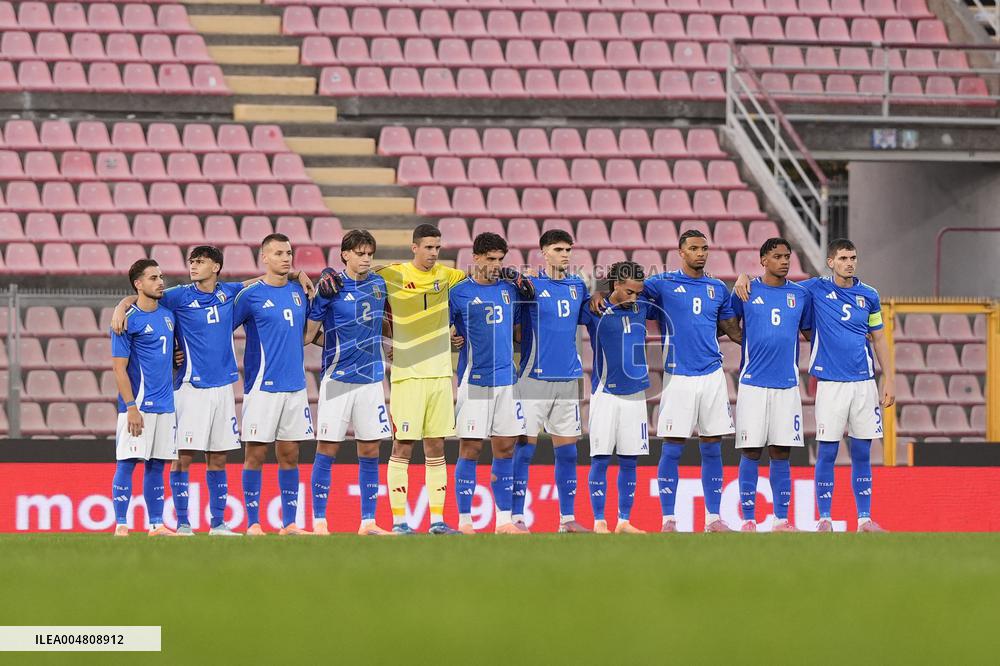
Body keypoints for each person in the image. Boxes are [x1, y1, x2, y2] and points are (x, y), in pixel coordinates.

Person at [110, 246, 313, 536]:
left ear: (216, 267)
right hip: (190, 387)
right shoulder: (179, 295)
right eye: (191, 261)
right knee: (182, 457)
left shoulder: (228, 292)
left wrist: (295, 274)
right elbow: (144, 296)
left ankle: (217, 523)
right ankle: (182, 523)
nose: (193, 266)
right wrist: (121, 306)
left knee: (218, 457)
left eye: (200, 261)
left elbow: (261, 280)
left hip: (223, 388)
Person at [735, 238, 894, 532]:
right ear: (830, 262)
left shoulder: (869, 295)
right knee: (826, 451)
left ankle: (864, 519)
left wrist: (890, 378)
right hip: (829, 383)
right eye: (843, 258)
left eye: (853, 258)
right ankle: (824, 519)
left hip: (864, 382)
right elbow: (774, 286)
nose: (849, 263)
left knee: (862, 451)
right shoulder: (812, 289)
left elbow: (879, 337)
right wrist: (743, 276)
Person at [607, 230, 742, 532]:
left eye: (704, 248)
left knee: (712, 446)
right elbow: (629, 289)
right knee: (672, 447)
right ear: (681, 252)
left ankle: (713, 518)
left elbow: (732, 330)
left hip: (712, 374)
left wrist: (747, 292)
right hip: (678, 375)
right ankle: (668, 518)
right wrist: (601, 296)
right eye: (694, 248)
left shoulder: (717, 288)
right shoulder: (662, 283)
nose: (700, 253)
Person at [376, 224, 467, 534]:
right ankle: (399, 522)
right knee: (402, 446)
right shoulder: (394, 274)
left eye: (437, 247)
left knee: (436, 446)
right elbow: (359, 276)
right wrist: (386, 337)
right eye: (428, 247)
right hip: (407, 376)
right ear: (414, 247)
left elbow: (478, 285)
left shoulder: (448, 276)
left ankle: (437, 521)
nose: (433, 253)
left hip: (440, 374)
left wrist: (457, 330)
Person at [305, 230, 393, 536]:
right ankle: (319, 521)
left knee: (370, 450)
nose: (366, 259)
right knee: (327, 449)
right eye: (360, 253)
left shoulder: (380, 284)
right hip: (338, 379)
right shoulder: (330, 287)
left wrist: (390, 344)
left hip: (371, 380)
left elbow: (386, 322)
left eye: (369, 253)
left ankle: (368, 522)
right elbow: (308, 335)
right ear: (345, 255)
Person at [232, 234, 314, 536]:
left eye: (289, 253)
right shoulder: (250, 295)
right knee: (255, 455)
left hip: (295, 387)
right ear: (264, 257)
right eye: (278, 253)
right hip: (262, 388)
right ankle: (253, 523)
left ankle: (289, 523)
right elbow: (221, 328)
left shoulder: (299, 291)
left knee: (290, 454)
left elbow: (309, 332)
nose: (286, 258)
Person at [728, 239, 812, 532]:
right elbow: (728, 322)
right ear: (763, 260)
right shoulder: (746, 290)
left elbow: (809, 331)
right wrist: (747, 340)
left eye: (787, 256)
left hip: (787, 385)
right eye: (777, 256)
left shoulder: (800, 294)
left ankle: (781, 520)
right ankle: (749, 519)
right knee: (751, 450)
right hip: (753, 383)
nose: (784, 261)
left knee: (781, 452)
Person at [449, 233, 529, 535]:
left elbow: (518, 331)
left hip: (507, 380)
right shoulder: (459, 293)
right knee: (470, 448)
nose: (496, 265)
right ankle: (465, 521)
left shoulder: (509, 290)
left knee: (505, 448)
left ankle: (504, 520)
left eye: (500, 259)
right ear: (476, 258)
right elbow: (443, 327)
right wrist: (451, 337)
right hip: (475, 381)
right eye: (490, 259)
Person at [512, 229, 591, 533]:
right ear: (543, 252)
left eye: (568, 250)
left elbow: (589, 315)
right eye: (558, 249)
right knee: (524, 450)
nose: (565, 255)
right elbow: (514, 326)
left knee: (568, 452)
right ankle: (516, 518)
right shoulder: (530, 285)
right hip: (534, 378)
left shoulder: (578, 286)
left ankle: (567, 519)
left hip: (568, 379)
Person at [580, 261, 651, 535]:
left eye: (638, 293)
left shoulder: (643, 306)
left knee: (630, 459)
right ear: (616, 285)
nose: (634, 298)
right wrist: (596, 293)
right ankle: (599, 520)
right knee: (600, 457)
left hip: (636, 393)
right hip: (605, 393)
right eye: (629, 292)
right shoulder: (594, 310)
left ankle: (624, 521)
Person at [110, 259, 178, 536]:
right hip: (138, 405)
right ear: (138, 284)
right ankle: (120, 524)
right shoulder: (127, 320)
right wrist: (131, 407)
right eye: (153, 278)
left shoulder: (168, 316)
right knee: (127, 462)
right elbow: (118, 368)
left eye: (161, 276)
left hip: (166, 404)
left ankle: (156, 524)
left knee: (157, 465)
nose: (160, 282)